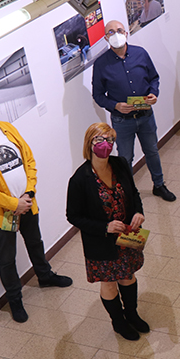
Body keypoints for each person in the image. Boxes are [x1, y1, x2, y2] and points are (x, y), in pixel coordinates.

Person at [0, 92, 72, 323]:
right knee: (7, 257)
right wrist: (13, 204)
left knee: (35, 242)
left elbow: (28, 160)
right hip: (2, 213)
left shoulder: (8, 129)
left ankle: (45, 276)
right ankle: (15, 300)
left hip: (28, 202)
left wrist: (28, 193)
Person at [66, 123, 149, 342]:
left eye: (110, 140)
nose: (106, 145)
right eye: (100, 140)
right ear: (89, 143)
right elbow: (73, 216)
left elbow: (134, 192)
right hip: (101, 243)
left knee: (128, 275)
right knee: (110, 282)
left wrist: (139, 212)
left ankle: (132, 313)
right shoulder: (79, 180)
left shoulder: (120, 164)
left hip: (127, 236)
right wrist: (105, 227)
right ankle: (118, 321)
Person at [91, 20, 176, 202]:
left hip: (145, 116)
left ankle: (159, 185)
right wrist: (115, 105)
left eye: (119, 30)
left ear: (127, 32)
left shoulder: (140, 53)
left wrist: (154, 93)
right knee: (125, 158)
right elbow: (98, 95)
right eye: (111, 32)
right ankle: (128, 193)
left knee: (152, 151)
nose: (116, 34)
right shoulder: (101, 64)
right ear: (106, 38)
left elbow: (154, 78)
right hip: (122, 121)